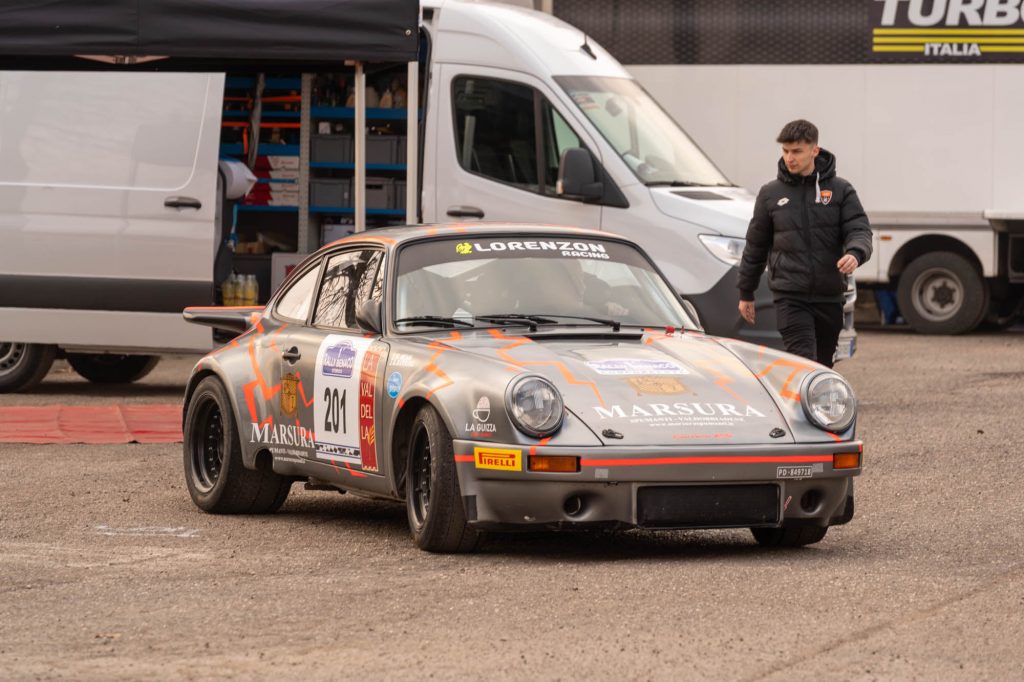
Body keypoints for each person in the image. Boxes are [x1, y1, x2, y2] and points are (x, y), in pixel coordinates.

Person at [737, 119, 872, 368]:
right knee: (804, 363)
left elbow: (859, 229)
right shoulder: (770, 193)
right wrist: (746, 292)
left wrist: (855, 252)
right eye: (785, 151)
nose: (790, 158)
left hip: (830, 296)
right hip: (790, 296)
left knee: (822, 366)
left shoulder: (841, 190)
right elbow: (755, 245)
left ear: (814, 150)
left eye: (797, 151)